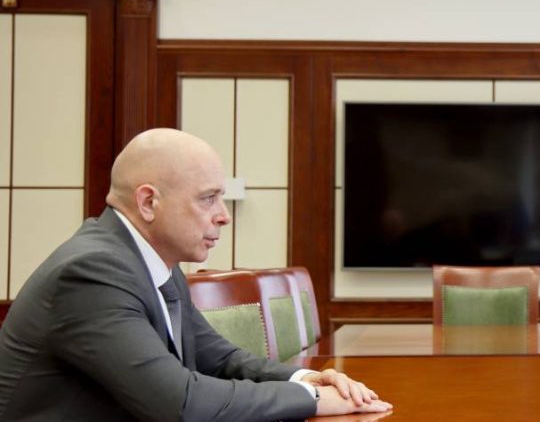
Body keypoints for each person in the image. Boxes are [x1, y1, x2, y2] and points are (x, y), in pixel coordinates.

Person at [0, 128, 393, 421]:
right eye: (208, 198)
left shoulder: (155, 264)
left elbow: (221, 359)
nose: (223, 215)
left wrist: (305, 380)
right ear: (149, 202)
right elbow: (180, 403)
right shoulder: (92, 273)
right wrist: (313, 401)